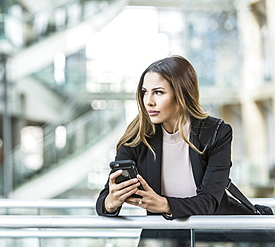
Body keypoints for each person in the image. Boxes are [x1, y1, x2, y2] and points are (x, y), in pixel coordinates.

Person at [95, 55, 272, 246]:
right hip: (163, 237)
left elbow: (209, 201)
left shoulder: (217, 132)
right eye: (145, 92)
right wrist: (112, 201)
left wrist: (166, 205)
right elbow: (103, 202)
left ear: (182, 94)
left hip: (215, 235)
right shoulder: (136, 138)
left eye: (159, 92)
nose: (149, 101)